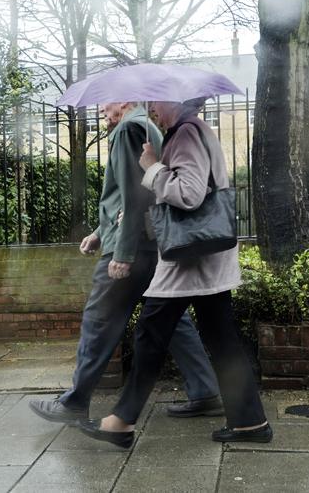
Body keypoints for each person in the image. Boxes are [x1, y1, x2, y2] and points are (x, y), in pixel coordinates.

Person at [78, 98, 272, 449]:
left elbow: (190, 194)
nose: (152, 107)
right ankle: (249, 422)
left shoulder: (184, 134)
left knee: (150, 335)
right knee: (222, 338)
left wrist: (152, 168)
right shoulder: (193, 130)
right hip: (206, 255)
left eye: (157, 102)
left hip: (189, 259)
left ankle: (120, 421)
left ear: (177, 101)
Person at [29, 101, 223, 425]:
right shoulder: (143, 127)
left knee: (99, 320)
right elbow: (130, 196)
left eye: (106, 104)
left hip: (133, 247)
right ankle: (204, 390)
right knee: (171, 322)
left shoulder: (127, 129)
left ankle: (74, 402)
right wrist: (100, 232)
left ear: (123, 100)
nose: (102, 110)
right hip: (150, 243)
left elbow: (136, 196)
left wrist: (121, 253)